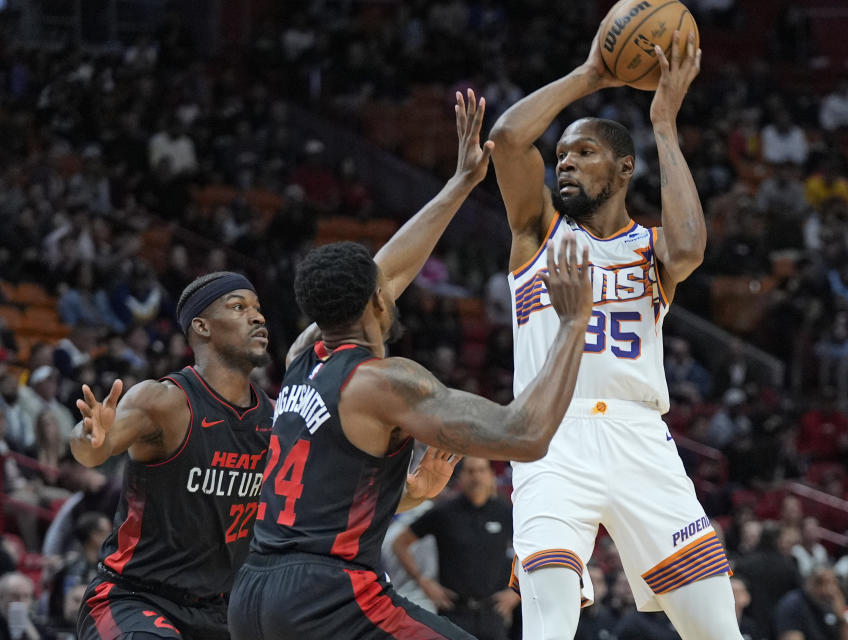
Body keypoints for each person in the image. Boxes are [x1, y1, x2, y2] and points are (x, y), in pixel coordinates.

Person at [228, 90, 594, 640]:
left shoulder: (305, 353)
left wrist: (460, 183)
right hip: (328, 596)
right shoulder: (385, 381)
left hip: (254, 593)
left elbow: (386, 271)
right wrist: (571, 326)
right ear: (378, 302)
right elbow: (526, 434)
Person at [488, 19, 739, 640]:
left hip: (638, 436)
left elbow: (689, 250)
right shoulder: (537, 233)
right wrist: (591, 74)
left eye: (584, 152)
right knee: (547, 625)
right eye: (563, 154)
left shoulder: (650, 251)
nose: (565, 161)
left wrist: (663, 125)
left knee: (716, 631)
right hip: (551, 433)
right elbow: (507, 139)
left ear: (624, 169)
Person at [71, 270, 277, 640]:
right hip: (135, 598)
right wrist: (90, 437)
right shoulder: (165, 401)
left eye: (257, 308)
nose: (258, 316)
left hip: (222, 612)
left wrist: (403, 490)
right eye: (238, 306)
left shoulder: (276, 421)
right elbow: (92, 451)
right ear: (202, 326)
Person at [392, 457, 516, 640]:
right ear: (461, 476)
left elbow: (528, 550)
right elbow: (400, 543)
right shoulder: (444, 512)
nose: (476, 477)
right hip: (453, 610)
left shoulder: (505, 511)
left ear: (491, 475)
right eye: (471, 471)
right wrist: (423, 581)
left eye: (482, 471)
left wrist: (516, 592)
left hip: (493, 612)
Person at [773, 566, 848, 640]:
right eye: (820, 583)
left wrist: (842, 620)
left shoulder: (833, 603)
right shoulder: (793, 604)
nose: (827, 590)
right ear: (808, 583)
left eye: (833, 583)